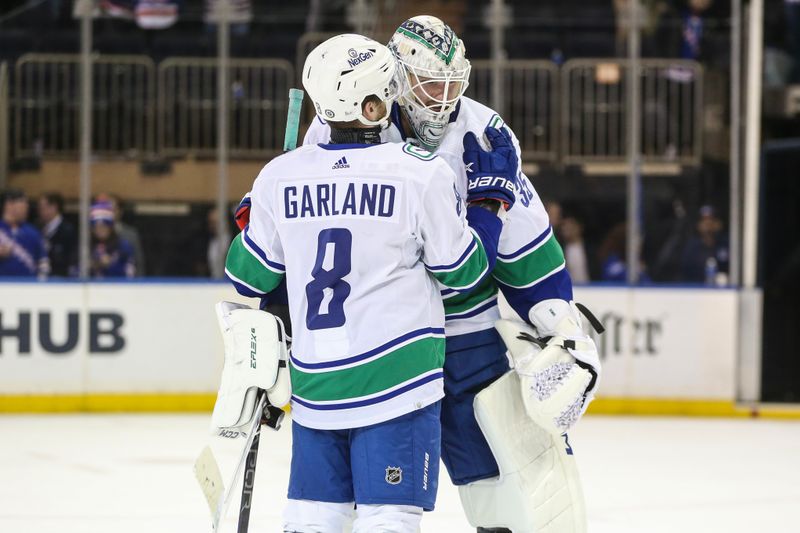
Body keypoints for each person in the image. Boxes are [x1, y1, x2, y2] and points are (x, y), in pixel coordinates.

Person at [252, 16, 600, 533]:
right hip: (373, 337)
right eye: (429, 85)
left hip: (463, 336)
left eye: (452, 85)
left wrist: (559, 322)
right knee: (351, 501)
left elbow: (525, 240)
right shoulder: (338, 119)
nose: (443, 99)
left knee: (510, 488)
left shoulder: (482, 134)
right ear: (392, 81)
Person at [225, 34, 516, 533]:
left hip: (316, 384)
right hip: (399, 381)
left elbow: (246, 275)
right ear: (374, 103)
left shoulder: (279, 175)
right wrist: (490, 203)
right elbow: (466, 272)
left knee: (313, 521)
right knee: (389, 520)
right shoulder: (419, 174)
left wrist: (259, 218)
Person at [0, 188, 49, 278]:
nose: (27, 206)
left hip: (27, 288)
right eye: (23, 202)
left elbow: (43, 262)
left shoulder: (33, 233)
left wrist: (41, 283)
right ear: (9, 204)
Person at [680, 204, 729, 284]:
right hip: (697, 290)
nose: (708, 223)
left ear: (719, 223)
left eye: (712, 219)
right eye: (704, 220)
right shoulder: (692, 247)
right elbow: (685, 272)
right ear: (698, 225)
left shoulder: (726, 244)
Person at [89, 201, 136, 278]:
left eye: (104, 226)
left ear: (111, 228)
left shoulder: (123, 246)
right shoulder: (85, 247)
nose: (100, 230)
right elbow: (73, 273)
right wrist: (91, 266)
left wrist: (110, 266)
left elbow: (130, 274)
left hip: (116, 288)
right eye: (97, 227)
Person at [37, 192, 77, 277]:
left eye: (43, 207)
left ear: (54, 207)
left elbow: (71, 257)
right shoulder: (38, 228)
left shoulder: (67, 230)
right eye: (40, 208)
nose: (41, 211)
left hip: (60, 278)